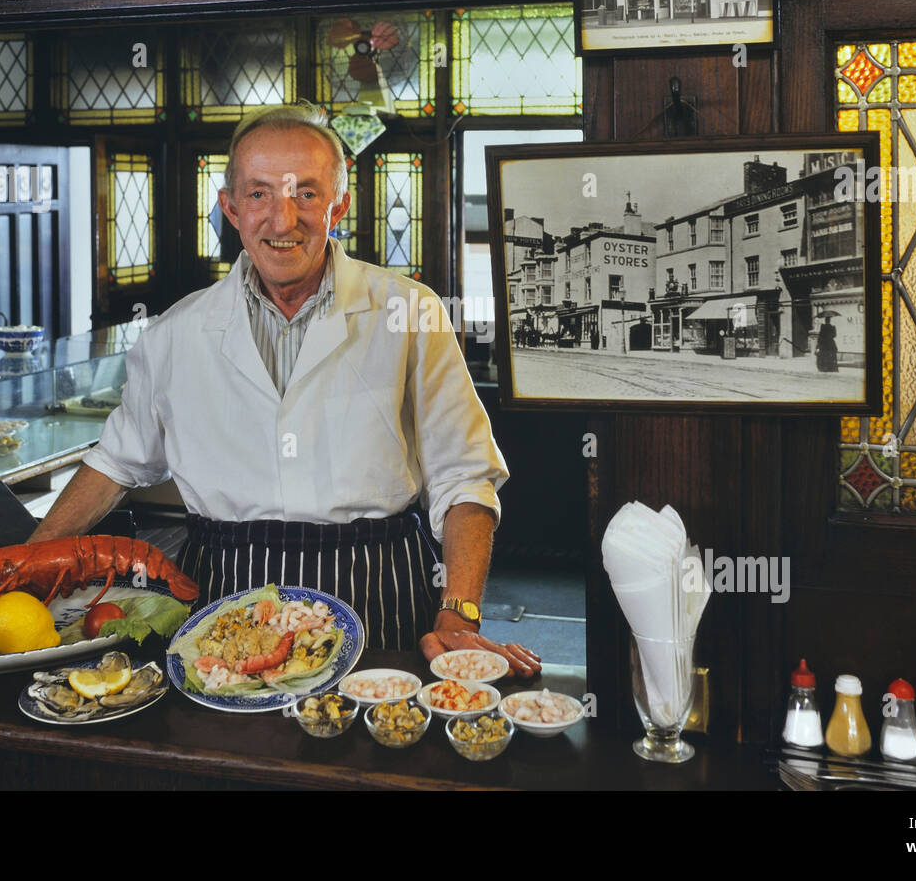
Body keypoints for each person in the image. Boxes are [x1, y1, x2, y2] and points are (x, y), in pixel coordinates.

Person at [29, 103, 540, 677]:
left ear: (339, 206)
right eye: (259, 194)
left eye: (306, 194)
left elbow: (465, 474)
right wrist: (23, 567)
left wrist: (460, 615)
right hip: (221, 594)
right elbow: (117, 464)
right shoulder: (173, 333)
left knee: (367, 759)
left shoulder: (409, 311)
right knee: (225, 758)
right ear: (229, 207)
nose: (282, 219)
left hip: (379, 588)